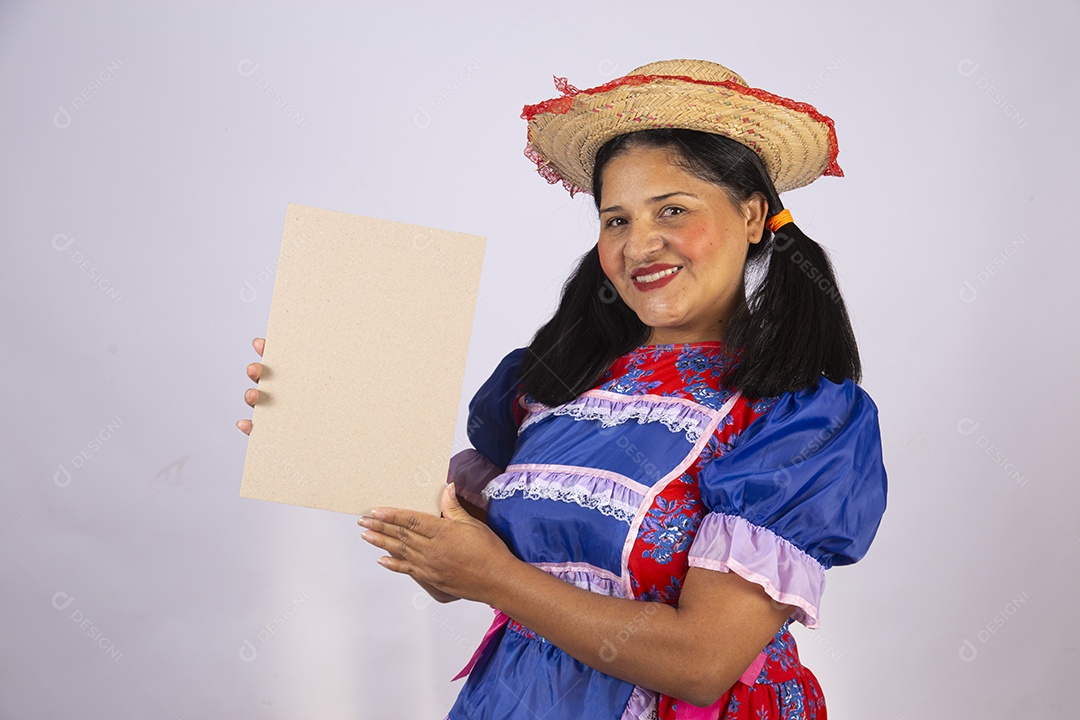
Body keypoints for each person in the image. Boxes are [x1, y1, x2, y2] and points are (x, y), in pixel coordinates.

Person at [238, 59, 887, 720]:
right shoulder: (553, 381)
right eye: (617, 220)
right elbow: (467, 562)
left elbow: (701, 663)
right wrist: (330, 423)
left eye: (672, 209)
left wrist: (492, 575)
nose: (640, 245)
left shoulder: (797, 416)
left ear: (753, 216)